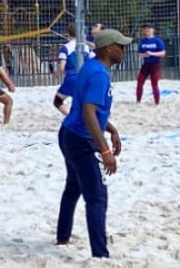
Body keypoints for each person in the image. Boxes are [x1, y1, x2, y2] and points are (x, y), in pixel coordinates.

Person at [55, 28, 131, 259]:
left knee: (74, 187)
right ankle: (100, 255)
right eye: (121, 46)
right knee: (97, 197)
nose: (124, 50)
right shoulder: (99, 74)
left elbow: (86, 107)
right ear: (109, 48)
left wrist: (112, 128)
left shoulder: (89, 67)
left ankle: (63, 236)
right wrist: (105, 150)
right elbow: (88, 112)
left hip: (68, 133)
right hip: (80, 139)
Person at [54, 23, 95, 116]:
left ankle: (71, 116)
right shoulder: (86, 48)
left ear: (68, 34)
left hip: (72, 78)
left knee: (58, 101)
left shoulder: (65, 48)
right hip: (86, 78)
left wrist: (57, 73)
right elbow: (95, 62)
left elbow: (62, 66)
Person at [136, 23, 166, 105]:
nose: (147, 30)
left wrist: (152, 53)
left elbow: (163, 53)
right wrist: (145, 55)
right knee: (139, 82)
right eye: (145, 29)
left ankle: (157, 103)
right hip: (146, 64)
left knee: (154, 83)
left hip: (155, 64)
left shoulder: (157, 40)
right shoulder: (142, 41)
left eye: (149, 28)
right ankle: (138, 101)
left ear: (153, 30)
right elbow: (139, 54)